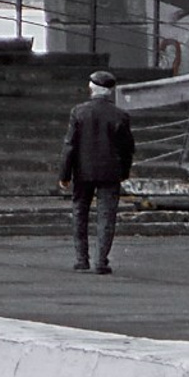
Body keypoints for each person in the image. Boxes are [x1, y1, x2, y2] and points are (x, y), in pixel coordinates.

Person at [59, 70, 136, 273]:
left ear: (91, 88)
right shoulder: (121, 115)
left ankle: (81, 258)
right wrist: (125, 171)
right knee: (106, 215)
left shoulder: (79, 112)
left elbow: (70, 145)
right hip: (110, 172)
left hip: (83, 171)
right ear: (110, 91)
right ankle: (101, 261)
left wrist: (65, 175)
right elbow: (127, 148)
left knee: (80, 213)